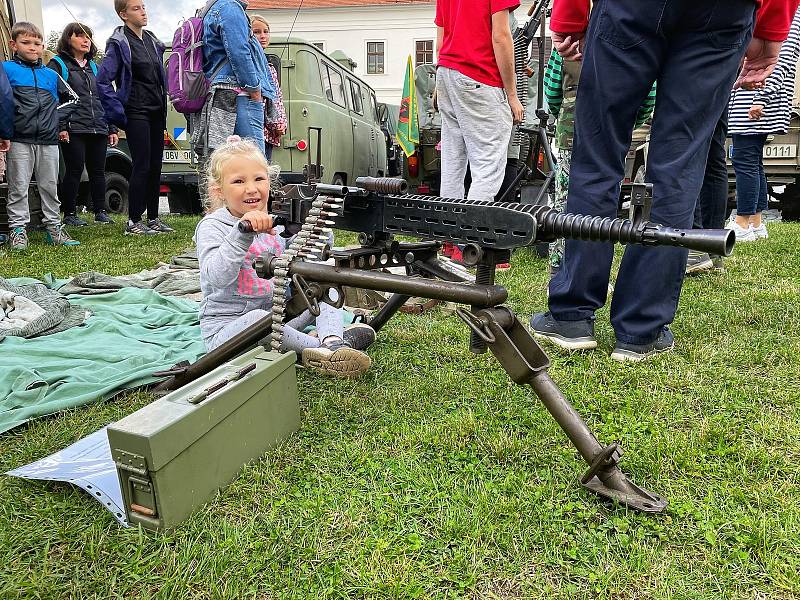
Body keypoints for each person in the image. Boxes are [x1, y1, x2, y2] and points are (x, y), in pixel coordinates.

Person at [530, 0, 799, 362]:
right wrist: (770, 29)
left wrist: (569, 15)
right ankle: (641, 329)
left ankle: (571, 315)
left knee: (598, 156)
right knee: (679, 164)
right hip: (723, 13)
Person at [196, 138, 376, 376]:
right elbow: (217, 277)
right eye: (238, 181)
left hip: (280, 320)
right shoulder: (212, 226)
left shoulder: (274, 221)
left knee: (326, 287)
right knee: (257, 320)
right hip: (230, 335)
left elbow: (310, 259)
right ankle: (323, 348)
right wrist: (243, 232)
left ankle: (332, 341)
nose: (251, 188)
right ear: (218, 191)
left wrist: (315, 227)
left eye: (259, 179)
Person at [543, 47, 656, 275]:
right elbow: (648, 96)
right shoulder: (634, 41)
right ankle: (593, 271)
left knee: (564, 203)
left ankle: (559, 269)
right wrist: (629, 124)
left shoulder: (565, 42)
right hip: (613, 132)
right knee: (603, 202)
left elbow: (553, 91)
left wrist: (566, 112)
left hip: (572, 131)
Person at [434, 0, 524, 203]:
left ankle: (450, 230)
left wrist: (438, 84)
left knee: (452, 163)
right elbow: (501, 37)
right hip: (479, 75)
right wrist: (511, 95)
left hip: (447, 73)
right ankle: (472, 232)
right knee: (487, 166)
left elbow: (441, 40)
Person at [97, 0, 173, 236]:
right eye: (136, 8)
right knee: (141, 165)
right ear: (123, 15)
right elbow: (102, 80)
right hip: (135, 111)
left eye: (143, 6)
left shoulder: (151, 40)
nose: (143, 11)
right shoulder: (119, 43)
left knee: (155, 165)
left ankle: (153, 218)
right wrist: (118, 112)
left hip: (156, 110)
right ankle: (133, 220)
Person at [3, 22, 79, 251]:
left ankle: (54, 227)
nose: (32, 47)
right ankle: (17, 230)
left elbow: (73, 99)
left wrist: (52, 119)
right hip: (18, 139)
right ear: (13, 44)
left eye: (37, 43)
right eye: (26, 43)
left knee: (49, 185)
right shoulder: (6, 70)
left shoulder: (51, 75)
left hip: (48, 140)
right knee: (18, 186)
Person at [728, 6, 800, 242]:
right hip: (756, 99)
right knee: (752, 162)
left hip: (756, 101)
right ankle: (756, 222)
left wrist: (761, 98)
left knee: (744, 160)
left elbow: (782, 59)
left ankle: (743, 221)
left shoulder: (789, 14)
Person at [48, 22, 117, 227]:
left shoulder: (96, 67)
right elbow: (54, 98)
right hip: (73, 127)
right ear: (69, 38)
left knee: (98, 171)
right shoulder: (58, 64)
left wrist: (112, 127)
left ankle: (100, 211)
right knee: (74, 169)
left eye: (88, 36)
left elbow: (105, 97)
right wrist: (60, 126)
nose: (86, 40)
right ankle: (69, 213)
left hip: (98, 126)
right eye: (80, 36)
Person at [201, 0, 277, 155]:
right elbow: (239, 52)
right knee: (254, 161)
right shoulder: (230, 8)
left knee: (226, 162)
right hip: (241, 94)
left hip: (224, 92)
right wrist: (254, 89)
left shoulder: (211, 10)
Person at [250, 15, 287, 162]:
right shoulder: (253, 64)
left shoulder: (267, 65)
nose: (263, 36)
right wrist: (277, 123)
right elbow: (265, 100)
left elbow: (277, 99)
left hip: (269, 132)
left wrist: (280, 123)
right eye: (257, 32)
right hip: (259, 130)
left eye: (266, 31)